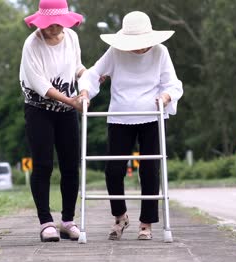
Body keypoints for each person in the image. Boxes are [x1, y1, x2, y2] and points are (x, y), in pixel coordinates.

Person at [78, 11, 183, 240]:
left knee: (149, 169)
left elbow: (173, 84)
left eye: (142, 44)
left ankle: (146, 223)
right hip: (121, 116)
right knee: (113, 170)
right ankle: (120, 217)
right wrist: (85, 93)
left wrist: (165, 97)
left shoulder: (160, 52)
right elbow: (93, 73)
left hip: (152, 115)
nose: (139, 48)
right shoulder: (115, 52)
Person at [20, 0, 87, 242]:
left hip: (66, 111)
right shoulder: (32, 45)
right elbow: (41, 85)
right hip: (39, 109)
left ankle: (68, 221)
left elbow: (77, 67)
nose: (55, 28)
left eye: (59, 23)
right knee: (44, 164)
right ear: (41, 22)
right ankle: (45, 221)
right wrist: (72, 101)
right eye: (50, 24)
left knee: (71, 165)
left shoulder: (71, 38)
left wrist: (88, 79)